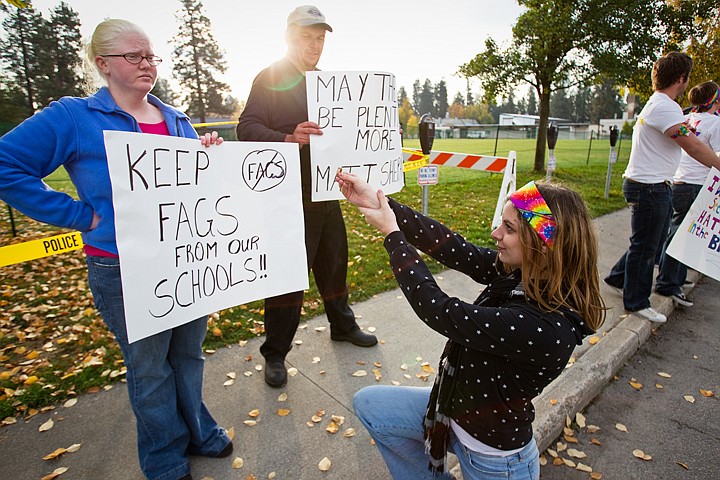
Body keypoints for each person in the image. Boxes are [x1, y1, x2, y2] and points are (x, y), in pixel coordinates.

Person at [0, 19, 231, 480]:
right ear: (103, 64)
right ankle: (164, 457)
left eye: (151, 56)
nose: (148, 65)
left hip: (183, 260)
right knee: (149, 369)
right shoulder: (73, 117)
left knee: (188, 356)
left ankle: (199, 432)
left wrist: (207, 154)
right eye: (135, 56)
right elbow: (7, 164)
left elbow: (192, 190)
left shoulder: (176, 118)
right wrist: (78, 216)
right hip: (122, 268)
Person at [337, 172, 605, 480]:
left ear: (542, 246)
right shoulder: (521, 273)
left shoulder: (546, 327)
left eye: (509, 228)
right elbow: (456, 248)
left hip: (495, 462)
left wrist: (393, 237)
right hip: (452, 411)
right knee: (372, 406)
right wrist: (380, 202)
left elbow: (440, 310)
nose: (495, 234)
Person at [236, 5, 376, 389]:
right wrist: (286, 138)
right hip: (287, 195)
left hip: (326, 190)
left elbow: (346, 131)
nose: (314, 45)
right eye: (305, 37)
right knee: (288, 275)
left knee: (334, 263)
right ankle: (276, 353)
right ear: (288, 37)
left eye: (319, 38)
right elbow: (245, 127)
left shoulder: (329, 84)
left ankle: (342, 326)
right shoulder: (270, 77)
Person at [603, 52, 720, 323]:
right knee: (646, 247)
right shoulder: (665, 107)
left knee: (647, 242)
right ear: (681, 79)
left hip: (653, 185)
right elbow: (691, 144)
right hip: (650, 187)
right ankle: (636, 302)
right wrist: (717, 164)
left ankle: (618, 277)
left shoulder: (662, 105)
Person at [655, 81, 720, 303]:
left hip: (680, 181)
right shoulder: (714, 123)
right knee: (681, 236)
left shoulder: (688, 118)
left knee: (677, 232)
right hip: (696, 184)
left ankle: (675, 277)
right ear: (716, 100)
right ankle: (668, 283)